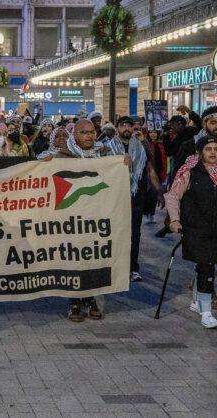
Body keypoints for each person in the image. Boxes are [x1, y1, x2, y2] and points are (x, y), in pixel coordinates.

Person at [49, 119, 124, 321]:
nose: (89, 136)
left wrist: (124, 164)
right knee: (75, 260)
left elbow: (118, 177)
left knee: (94, 258)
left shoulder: (106, 154)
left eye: (92, 132)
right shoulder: (62, 156)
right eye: (84, 132)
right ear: (75, 135)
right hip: (72, 220)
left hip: (98, 218)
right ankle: (74, 301)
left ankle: (91, 298)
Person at [166, 136, 217, 329]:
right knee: (206, 266)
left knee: (207, 263)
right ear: (200, 153)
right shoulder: (189, 173)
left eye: (215, 148)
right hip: (195, 227)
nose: (213, 152)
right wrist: (174, 220)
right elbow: (173, 196)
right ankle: (206, 313)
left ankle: (197, 301)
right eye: (208, 149)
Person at [106, 117, 164, 282]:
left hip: (136, 197)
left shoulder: (141, 147)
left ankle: (132, 268)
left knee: (134, 234)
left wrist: (159, 191)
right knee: (115, 233)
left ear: (133, 128)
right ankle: (115, 267)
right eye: (122, 125)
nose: (126, 128)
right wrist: (117, 162)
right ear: (116, 128)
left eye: (129, 125)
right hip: (115, 198)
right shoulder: (106, 148)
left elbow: (150, 170)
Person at [144, 128, 168, 224]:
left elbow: (165, 160)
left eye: (154, 132)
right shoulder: (146, 144)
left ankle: (151, 213)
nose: (153, 134)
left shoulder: (162, 145)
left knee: (155, 194)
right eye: (150, 132)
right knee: (149, 194)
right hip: (148, 172)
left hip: (159, 172)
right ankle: (148, 213)